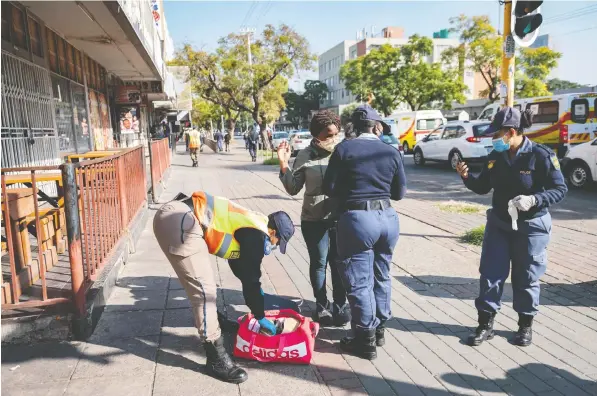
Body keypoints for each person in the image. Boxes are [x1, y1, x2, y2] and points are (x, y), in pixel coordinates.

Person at [153, 192, 295, 383]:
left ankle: (215, 320)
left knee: (201, 279)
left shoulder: (255, 223)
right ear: (273, 233)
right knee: (205, 292)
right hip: (179, 221)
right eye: (279, 242)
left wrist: (254, 290)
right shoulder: (257, 236)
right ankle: (216, 358)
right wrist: (260, 316)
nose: (276, 246)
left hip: (179, 216)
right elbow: (251, 279)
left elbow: (241, 269)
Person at [455, 107, 567, 347]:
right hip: (499, 223)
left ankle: (525, 326)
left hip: (531, 226)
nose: (493, 139)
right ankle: (485, 324)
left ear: (511, 132)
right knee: (490, 274)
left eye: (496, 134)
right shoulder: (495, 157)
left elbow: (560, 189)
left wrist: (535, 199)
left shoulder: (541, 155)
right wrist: (465, 177)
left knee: (526, 277)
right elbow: (483, 187)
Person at [322, 105, 406, 360]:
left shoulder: (345, 149)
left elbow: (330, 187)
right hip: (388, 219)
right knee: (382, 275)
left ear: (353, 127)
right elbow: (399, 193)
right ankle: (380, 329)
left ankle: (364, 339)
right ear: (376, 126)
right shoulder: (391, 151)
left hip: (358, 219)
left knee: (359, 281)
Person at [277, 110, 350, 326]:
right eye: (328, 135)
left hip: (340, 218)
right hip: (313, 218)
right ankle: (322, 306)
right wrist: (283, 164)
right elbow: (293, 188)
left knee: (338, 264)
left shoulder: (342, 152)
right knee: (319, 263)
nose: (332, 139)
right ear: (316, 134)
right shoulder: (305, 155)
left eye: (336, 134)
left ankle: (340, 305)